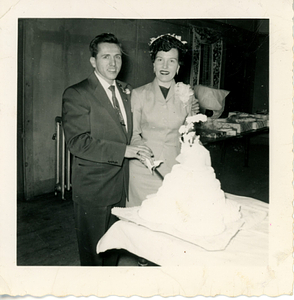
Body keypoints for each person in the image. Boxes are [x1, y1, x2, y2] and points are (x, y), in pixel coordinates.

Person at [62, 33, 153, 266]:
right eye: (105, 57)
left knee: (114, 249)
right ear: (93, 61)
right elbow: (77, 142)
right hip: (94, 190)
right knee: (94, 255)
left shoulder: (126, 90)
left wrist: (138, 143)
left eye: (117, 57)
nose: (113, 63)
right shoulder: (77, 93)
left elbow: (128, 130)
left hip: (121, 186)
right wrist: (124, 150)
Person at [127, 33, 200, 207]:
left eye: (171, 61)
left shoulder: (187, 95)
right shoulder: (138, 94)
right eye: (160, 60)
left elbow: (189, 134)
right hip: (143, 168)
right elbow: (133, 133)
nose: (165, 66)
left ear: (178, 66)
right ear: (153, 64)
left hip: (175, 167)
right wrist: (144, 155)